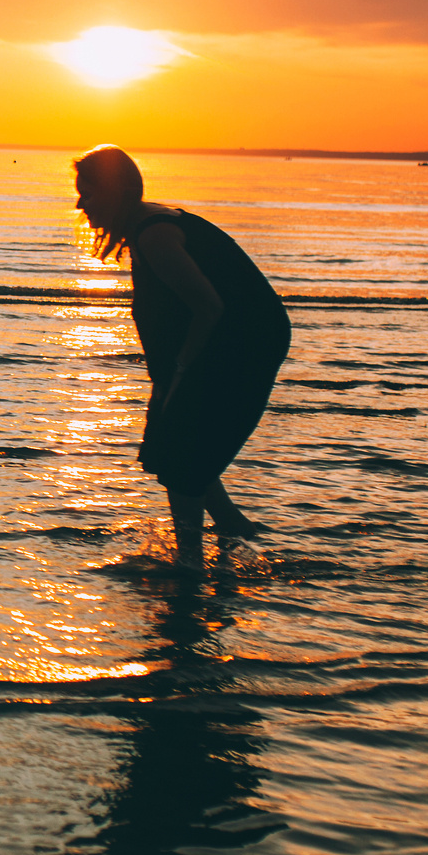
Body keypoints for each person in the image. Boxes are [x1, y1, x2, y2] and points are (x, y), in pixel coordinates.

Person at [72, 144, 290, 574]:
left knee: (182, 449)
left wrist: (181, 373)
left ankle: (189, 561)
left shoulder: (155, 233)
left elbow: (207, 306)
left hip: (241, 342)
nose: (80, 204)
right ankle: (230, 527)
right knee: (172, 442)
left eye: (88, 193)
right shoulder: (142, 227)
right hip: (221, 342)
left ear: (114, 194)